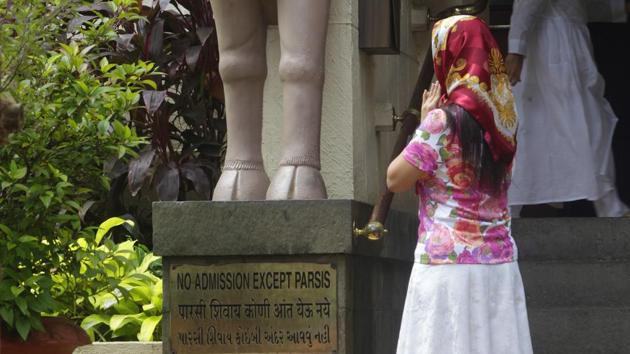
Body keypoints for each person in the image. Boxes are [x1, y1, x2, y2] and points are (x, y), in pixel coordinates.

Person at [387, 15, 533, 354]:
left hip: (446, 266)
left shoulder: (441, 120)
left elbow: (395, 178)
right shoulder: (505, 121)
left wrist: (422, 125)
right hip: (498, 266)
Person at [506, 0, 629, 217]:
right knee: (568, 123)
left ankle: (608, 204)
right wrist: (516, 50)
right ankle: (609, 205)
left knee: (575, 123)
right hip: (552, 42)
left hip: (564, 37)